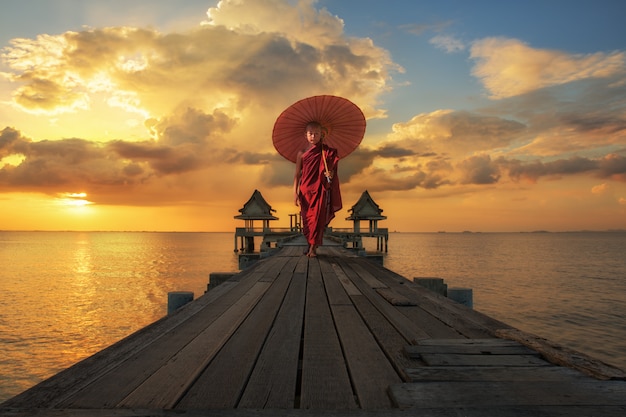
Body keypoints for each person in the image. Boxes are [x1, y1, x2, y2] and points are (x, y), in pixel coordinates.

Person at [294, 121, 342, 257]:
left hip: (319, 189)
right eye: (310, 134)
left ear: (322, 135)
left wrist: (330, 174)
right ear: (305, 135)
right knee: (306, 220)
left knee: (317, 219)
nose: (313, 136)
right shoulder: (302, 153)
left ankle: (313, 249)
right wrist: (295, 193)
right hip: (305, 191)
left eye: (316, 134)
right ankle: (310, 244)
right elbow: (297, 174)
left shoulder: (327, 153)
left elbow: (331, 172)